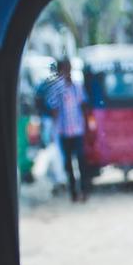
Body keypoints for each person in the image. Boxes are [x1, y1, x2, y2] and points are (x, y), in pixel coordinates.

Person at [39, 58, 89, 202]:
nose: (67, 72)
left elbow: (84, 105)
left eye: (69, 69)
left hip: (78, 130)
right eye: (64, 69)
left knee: (81, 161)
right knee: (68, 164)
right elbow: (53, 110)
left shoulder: (77, 87)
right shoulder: (56, 89)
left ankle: (84, 190)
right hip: (64, 132)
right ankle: (73, 192)